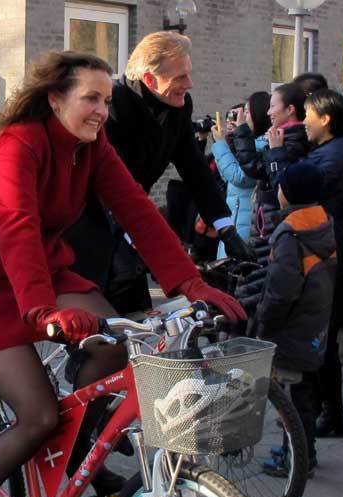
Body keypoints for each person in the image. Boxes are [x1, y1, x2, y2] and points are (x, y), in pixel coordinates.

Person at [0, 52, 245, 497]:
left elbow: (137, 209)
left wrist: (189, 282)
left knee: (116, 347)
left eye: (107, 99)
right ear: (55, 99)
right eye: (90, 98)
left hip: (43, 272)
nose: (102, 110)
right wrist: (41, 310)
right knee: (38, 415)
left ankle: (77, 454)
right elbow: (16, 225)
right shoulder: (17, 146)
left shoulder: (91, 147)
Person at [63, 32, 252, 314]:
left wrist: (225, 227)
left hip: (133, 218)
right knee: (102, 317)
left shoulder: (179, 106)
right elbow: (114, 188)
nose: (190, 83)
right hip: (91, 222)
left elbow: (195, 169)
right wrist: (143, 242)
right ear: (150, 80)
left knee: (141, 320)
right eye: (180, 77)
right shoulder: (112, 108)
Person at [265, 90, 343, 438]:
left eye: (307, 115)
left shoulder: (333, 158)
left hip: (323, 248)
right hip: (329, 244)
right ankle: (325, 414)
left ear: (325, 119)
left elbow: (290, 190)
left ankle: (324, 417)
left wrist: (278, 155)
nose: (303, 123)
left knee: (319, 336)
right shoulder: (340, 149)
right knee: (322, 335)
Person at [256, 163, 336, 478]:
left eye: (280, 186)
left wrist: (264, 324)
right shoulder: (322, 223)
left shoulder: (290, 235)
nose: (277, 191)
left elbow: (280, 292)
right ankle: (301, 451)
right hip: (313, 321)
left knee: (290, 399)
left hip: (290, 328)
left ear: (289, 194)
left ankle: (298, 459)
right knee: (302, 395)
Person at [230, 83, 310, 237]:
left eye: (272, 106)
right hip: (267, 217)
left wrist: (241, 131)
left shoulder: (294, 139)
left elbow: (255, 167)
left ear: (290, 109)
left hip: (275, 219)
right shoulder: (281, 135)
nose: (268, 112)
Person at [210, 92, 271, 253]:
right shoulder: (248, 144)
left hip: (246, 224)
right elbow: (227, 176)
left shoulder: (262, 145)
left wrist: (221, 144)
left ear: (259, 115)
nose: (242, 116)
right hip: (236, 219)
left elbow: (240, 177)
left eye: (247, 112)